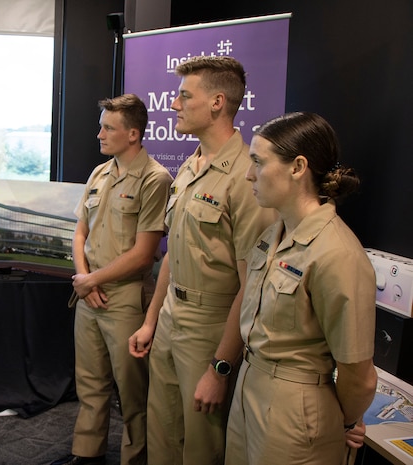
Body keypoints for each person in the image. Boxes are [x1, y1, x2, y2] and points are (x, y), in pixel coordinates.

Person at [128, 56, 277, 464]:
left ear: (216, 102)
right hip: (171, 318)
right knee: (161, 437)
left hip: (211, 330)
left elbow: (252, 287)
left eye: (183, 96)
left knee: (200, 447)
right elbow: (173, 255)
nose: (174, 105)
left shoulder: (247, 178)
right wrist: (151, 319)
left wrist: (220, 367)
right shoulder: (191, 167)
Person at [224, 111, 377, 465]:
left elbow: (359, 376)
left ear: (297, 167)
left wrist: (347, 419)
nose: (249, 174)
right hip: (250, 387)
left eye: (258, 162)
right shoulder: (273, 234)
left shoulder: (337, 253)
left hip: (295, 409)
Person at [50, 94, 172, 465]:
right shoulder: (99, 173)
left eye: (108, 127)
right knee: (90, 383)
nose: (99, 134)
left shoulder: (156, 179)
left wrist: (91, 281)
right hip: (90, 295)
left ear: (133, 134)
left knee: (134, 393)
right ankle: (86, 454)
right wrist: (85, 279)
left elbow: (143, 254)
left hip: (125, 299)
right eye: (101, 125)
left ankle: (134, 459)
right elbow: (79, 233)